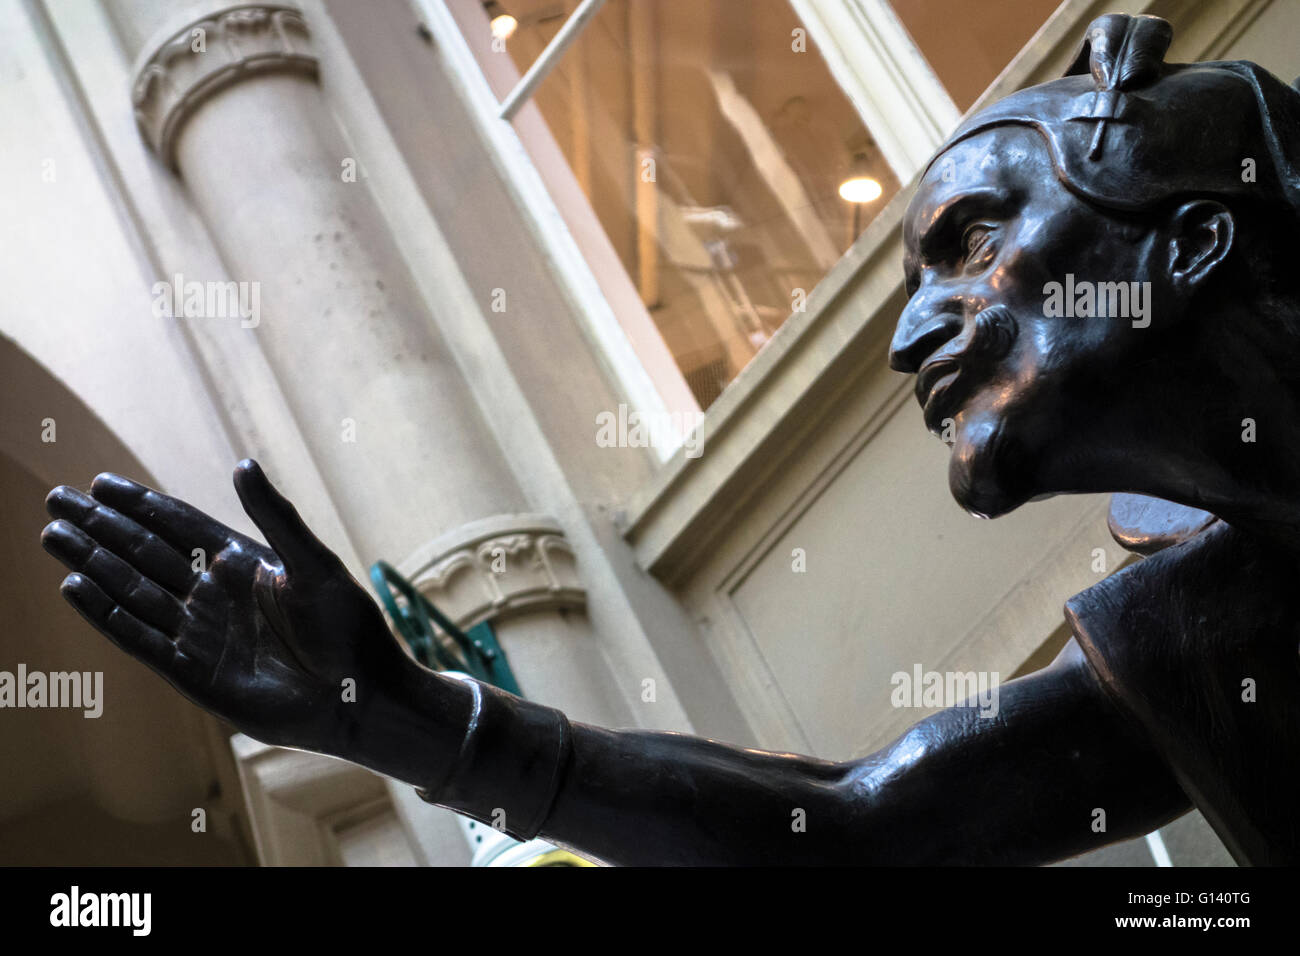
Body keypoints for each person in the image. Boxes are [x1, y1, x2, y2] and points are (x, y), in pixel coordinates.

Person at [41, 14, 1300, 864]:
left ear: (1188, 242)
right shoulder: (1199, 620)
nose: (912, 335)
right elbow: (849, 826)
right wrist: (411, 723)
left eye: (969, 245)